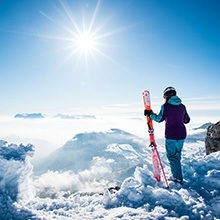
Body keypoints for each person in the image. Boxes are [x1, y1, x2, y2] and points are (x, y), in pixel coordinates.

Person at [144, 87, 190, 184]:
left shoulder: (166, 106)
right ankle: (177, 175)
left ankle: (177, 178)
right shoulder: (182, 106)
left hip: (171, 135)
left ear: (166, 96)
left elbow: (159, 119)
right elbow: (187, 120)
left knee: (172, 157)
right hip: (181, 134)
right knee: (177, 156)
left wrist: (150, 114)